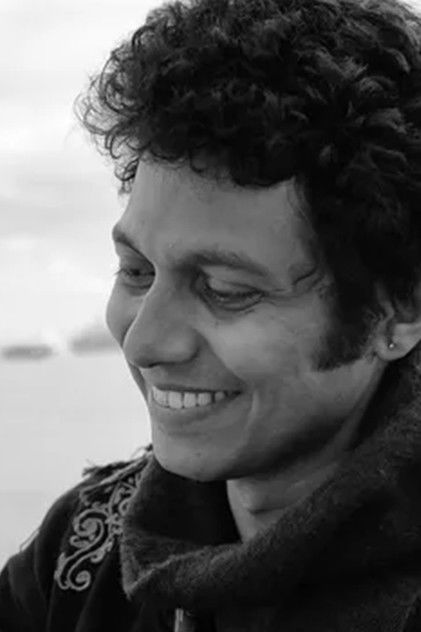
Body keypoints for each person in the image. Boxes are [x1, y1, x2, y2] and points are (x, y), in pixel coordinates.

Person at [3, 0, 421, 629]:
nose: (144, 343)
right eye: (136, 271)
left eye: (224, 289)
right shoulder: (79, 556)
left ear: (398, 311)